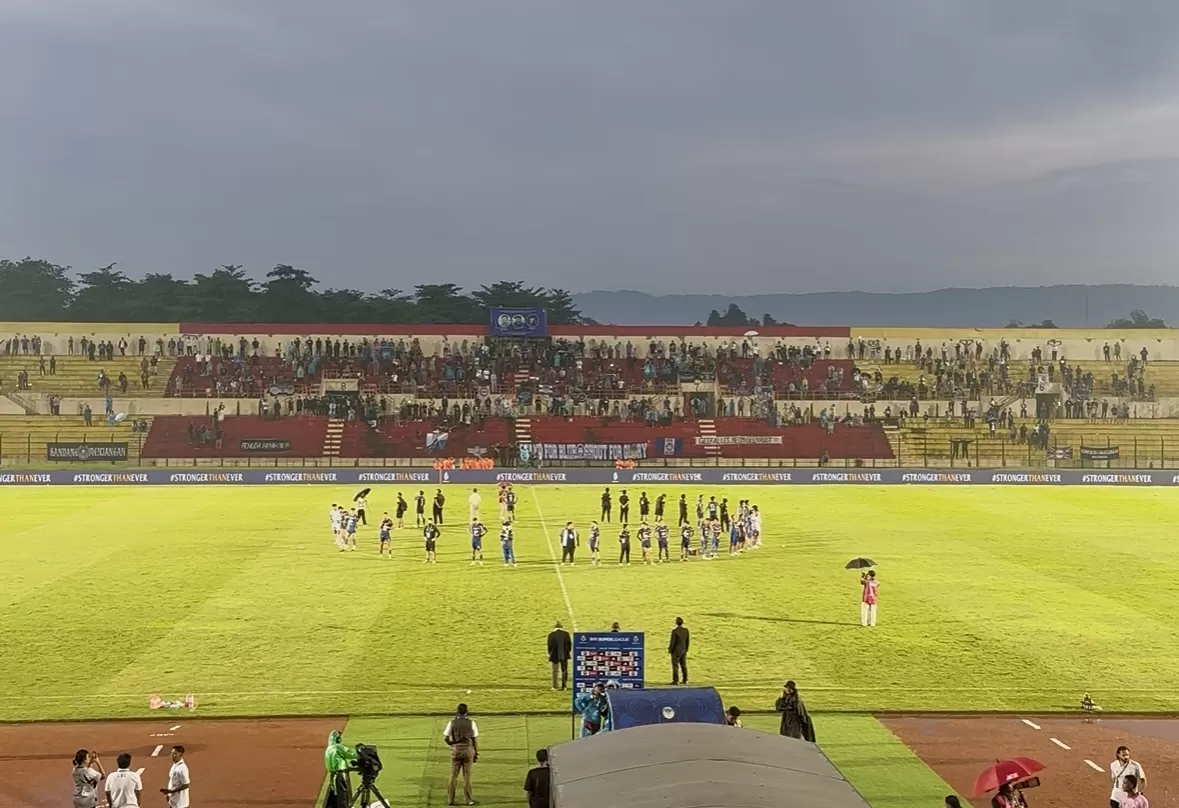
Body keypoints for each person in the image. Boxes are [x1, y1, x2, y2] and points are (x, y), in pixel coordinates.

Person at [443, 703, 479, 806]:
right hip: (468, 751)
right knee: (467, 776)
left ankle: (450, 800)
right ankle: (468, 800)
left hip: (456, 751)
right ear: (467, 712)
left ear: (457, 711)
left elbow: (446, 738)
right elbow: (474, 740)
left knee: (453, 776)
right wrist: (476, 753)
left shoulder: (452, 723)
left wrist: (452, 744)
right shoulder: (471, 723)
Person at [323, 730, 357, 808]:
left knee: (337, 795)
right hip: (341, 774)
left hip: (333, 776)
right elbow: (350, 754)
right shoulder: (338, 747)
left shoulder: (328, 749)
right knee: (344, 795)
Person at [547, 621, 572, 690]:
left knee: (555, 671)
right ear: (562, 627)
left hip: (554, 654)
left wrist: (550, 653)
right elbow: (569, 645)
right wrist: (567, 652)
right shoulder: (566, 634)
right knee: (564, 670)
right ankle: (564, 686)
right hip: (564, 654)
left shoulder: (551, 634)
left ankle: (555, 686)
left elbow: (549, 646)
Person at [669, 617, 690, 685]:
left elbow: (673, 642)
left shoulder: (675, 631)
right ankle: (685, 679)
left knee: (675, 665)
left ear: (676, 623)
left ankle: (676, 680)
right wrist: (686, 649)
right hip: (683, 649)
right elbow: (687, 641)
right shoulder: (686, 630)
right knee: (683, 665)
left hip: (676, 650)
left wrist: (670, 650)